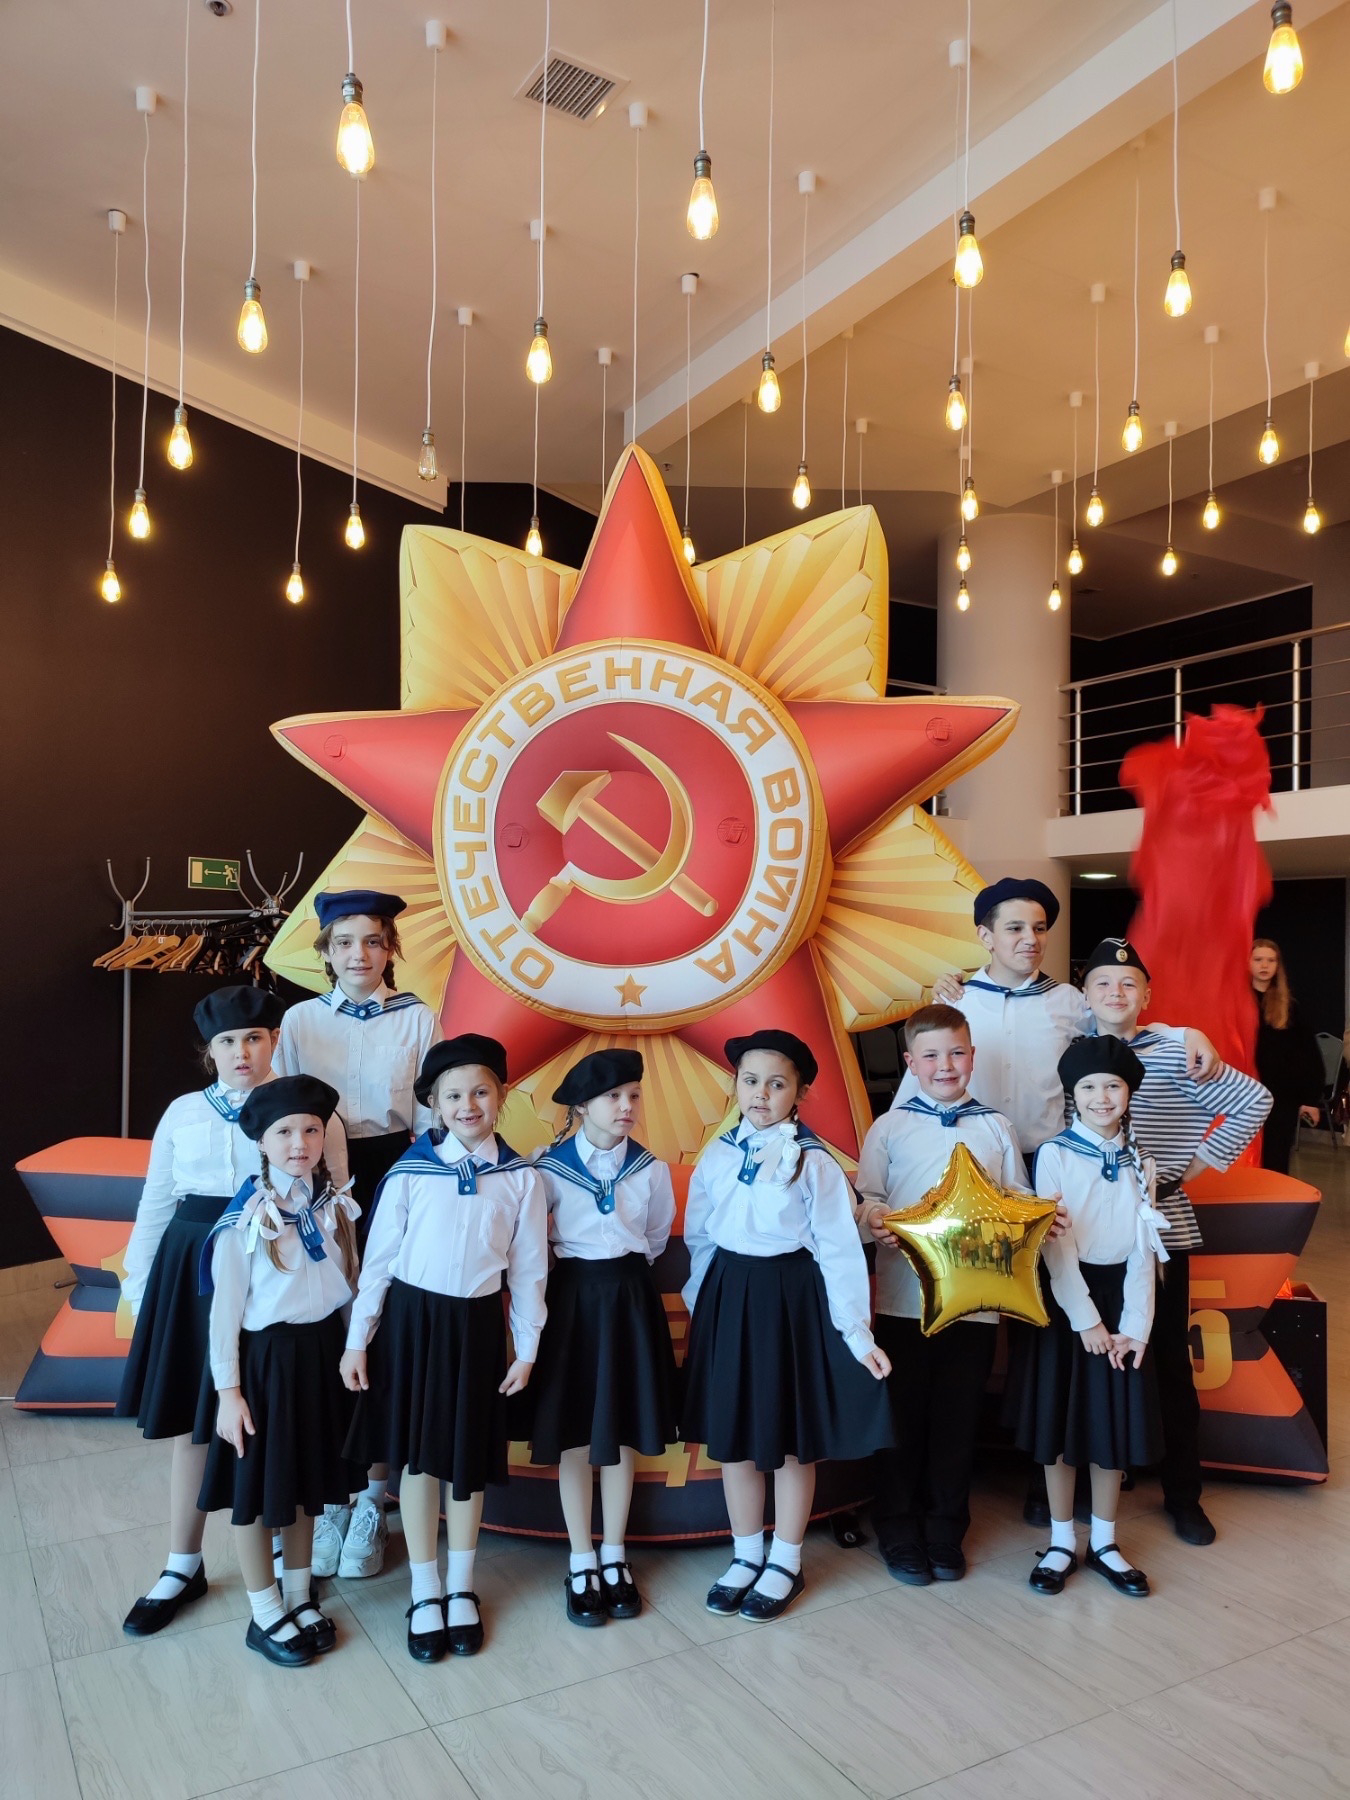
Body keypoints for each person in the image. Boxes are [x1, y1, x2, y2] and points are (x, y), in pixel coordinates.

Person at [898, 876, 1217, 1529]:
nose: (1030, 939)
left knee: (1054, 1340)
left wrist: (1184, 1030)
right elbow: (921, 1087)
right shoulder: (958, 1002)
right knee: (978, 1340)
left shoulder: (1069, 1002)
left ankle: (1060, 1488)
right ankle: (973, 1486)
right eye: (1015, 927)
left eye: (1039, 927)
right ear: (985, 935)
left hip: (1057, 1184)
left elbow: (1122, 1025)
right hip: (979, 1183)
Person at [115, 986, 346, 1637]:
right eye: (226, 1041)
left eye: (253, 1038)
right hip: (191, 1277)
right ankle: (182, 1563)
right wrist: (142, 1293)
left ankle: (281, 1567)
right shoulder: (183, 1113)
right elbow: (156, 1203)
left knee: (271, 1417)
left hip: (276, 1277)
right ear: (208, 1050)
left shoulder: (309, 1111)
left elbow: (334, 1206)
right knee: (197, 1422)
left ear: (274, 1041)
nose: (241, 1052)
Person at [340, 1035, 548, 1664]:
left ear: (502, 1096)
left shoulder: (520, 1178)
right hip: (411, 1325)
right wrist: (359, 1339)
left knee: (464, 1460)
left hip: (477, 1326)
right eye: (453, 1095)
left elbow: (529, 1271)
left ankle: (461, 1586)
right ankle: (424, 1588)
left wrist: (527, 1347)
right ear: (433, 1103)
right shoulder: (409, 1173)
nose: (468, 1105)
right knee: (419, 1461)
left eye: (481, 1092)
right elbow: (378, 1263)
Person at [680, 1029, 893, 1623]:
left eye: (776, 1084)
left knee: (793, 1440)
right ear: (735, 1085)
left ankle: (786, 1559)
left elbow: (838, 1247)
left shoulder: (815, 1162)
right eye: (750, 1081)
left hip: (792, 1301)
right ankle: (746, 1553)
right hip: (731, 1296)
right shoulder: (718, 1155)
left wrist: (856, 1332)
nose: (761, 1094)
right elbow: (700, 1235)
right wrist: (706, 1306)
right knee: (735, 1435)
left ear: (799, 1093)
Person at [1081, 937, 1271, 1545]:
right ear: (1085, 994)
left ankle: (1183, 1493)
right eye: (1102, 983)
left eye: (1128, 983)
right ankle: (1091, 1481)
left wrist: (1197, 1164)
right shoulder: (1072, 1052)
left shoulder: (1173, 1050)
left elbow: (1255, 1100)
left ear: (1147, 995)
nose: (1115, 993)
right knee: (1088, 1355)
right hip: (1085, 1232)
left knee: (1166, 1360)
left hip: (1161, 1227)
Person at [276, 887, 440, 1580]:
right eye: (344, 943)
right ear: (326, 952)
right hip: (318, 1179)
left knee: (381, 1326)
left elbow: (431, 1116)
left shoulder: (419, 1018)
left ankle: (373, 1494)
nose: (358, 955)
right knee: (326, 1321)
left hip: (396, 1170)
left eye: (373, 941)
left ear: (390, 950)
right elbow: (282, 1115)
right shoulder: (299, 1021)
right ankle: (330, 1495)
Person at [855, 1004, 1028, 1586]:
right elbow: (865, 1200)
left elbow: (1016, 1198)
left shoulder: (996, 1127)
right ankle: (898, 1528)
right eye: (931, 1055)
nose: (945, 1065)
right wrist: (874, 1217)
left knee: (957, 1419)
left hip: (974, 1303)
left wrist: (1035, 1217)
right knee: (903, 1416)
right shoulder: (889, 1127)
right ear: (910, 1062)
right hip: (902, 1302)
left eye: (956, 1052)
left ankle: (946, 1528)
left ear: (972, 1056)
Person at [196, 1076, 363, 1667]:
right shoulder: (247, 1219)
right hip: (265, 1365)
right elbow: (224, 1313)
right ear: (261, 1143)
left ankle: (297, 1593)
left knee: (308, 1485)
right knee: (258, 1490)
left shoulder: (333, 1205)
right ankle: (265, 1609)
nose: (300, 1143)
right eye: (285, 1132)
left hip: (321, 1356)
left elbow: (347, 1289)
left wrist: (356, 1348)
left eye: (312, 1130)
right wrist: (229, 1392)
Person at [527, 1048, 679, 1626]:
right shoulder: (549, 1169)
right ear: (582, 1106)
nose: (626, 1106)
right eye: (612, 1096)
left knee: (621, 1428)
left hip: (629, 1298)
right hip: (572, 1299)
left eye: (633, 1095)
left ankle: (615, 1554)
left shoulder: (651, 1169)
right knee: (575, 1434)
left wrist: (623, 1278)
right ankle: (581, 1558)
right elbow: (534, 1243)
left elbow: (656, 1237)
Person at [1013, 1035, 1166, 1599]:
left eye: (1113, 1086)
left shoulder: (1142, 1162)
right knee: (1061, 1425)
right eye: (1089, 1087)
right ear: (1072, 1096)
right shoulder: (1053, 1155)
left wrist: (1136, 1326)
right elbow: (1056, 1245)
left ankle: (1104, 1540)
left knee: (1109, 1425)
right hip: (1068, 1304)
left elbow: (1145, 1248)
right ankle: (1061, 1540)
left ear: (1128, 1093)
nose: (1102, 1097)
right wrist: (1086, 1319)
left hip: (1121, 1306)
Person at [1250, 939, 1323, 1174]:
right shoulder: (1235, 1002)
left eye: (1271, 960)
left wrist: (1310, 1099)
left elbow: (1308, 1054)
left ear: (1278, 965)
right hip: (1243, 1093)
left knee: (1276, 1159)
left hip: (1280, 1097)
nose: (1264, 965)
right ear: (1247, 963)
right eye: (1258, 959)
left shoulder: (1288, 1006)